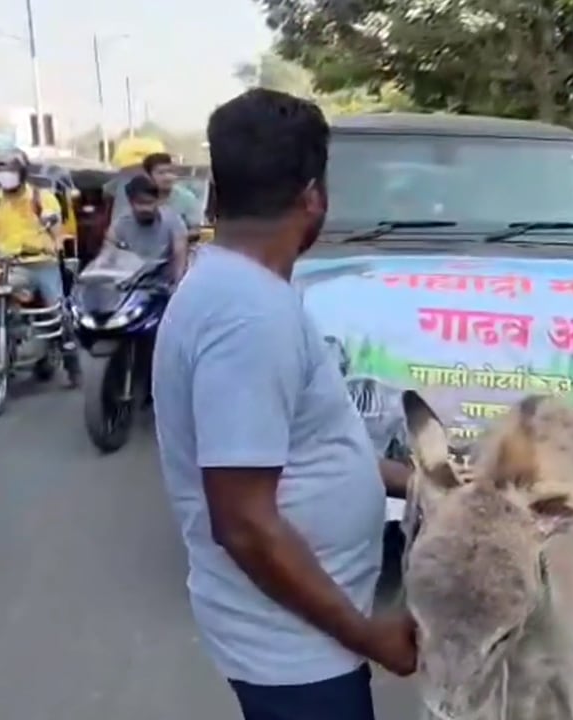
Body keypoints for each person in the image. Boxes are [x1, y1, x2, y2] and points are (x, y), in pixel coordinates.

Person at [151, 88, 417, 720]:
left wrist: (429, 482)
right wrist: (368, 636)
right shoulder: (249, 316)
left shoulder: (241, 290)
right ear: (313, 198)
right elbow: (244, 524)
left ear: (214, 197)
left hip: (298, 639)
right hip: (295, 651)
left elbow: (305, 447)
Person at [0, 149, 78, 385]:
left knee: (58, 313)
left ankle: (73, 364)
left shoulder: (41, 197)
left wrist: (50, 221)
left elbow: (54, 220)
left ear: (23, 172)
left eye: (10, 170)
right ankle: (7, 340)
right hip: (9, 265)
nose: (5, 175)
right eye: (0, 170)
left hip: (42, 263)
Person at [106, 175, 189, 283]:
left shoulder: (174, 222)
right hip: (129, 283)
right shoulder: (119, 225)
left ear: (157, 201)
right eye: (140, 203)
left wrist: (178, 285)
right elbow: (107, 256)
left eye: (149, 203)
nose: (146, 209)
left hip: (161, 284)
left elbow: (179, 259)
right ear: (131, 202)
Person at [141, 152, 205, 231]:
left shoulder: (187, 198)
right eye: (161, 173)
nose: (167, 177)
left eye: (171, 172)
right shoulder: (140, 197)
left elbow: (196, 230)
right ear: (148, 176)